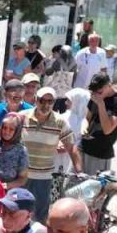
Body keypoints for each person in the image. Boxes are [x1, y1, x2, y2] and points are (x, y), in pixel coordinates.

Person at [21, 87, 82, 221]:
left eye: (50, 101)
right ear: (36, 100)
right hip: (22, 176)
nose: (46, 104)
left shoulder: (59, 121)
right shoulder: (22, 117)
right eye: (42, 100)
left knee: (41, 215)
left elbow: (71, 147)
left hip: (44, 178)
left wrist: (79, 170)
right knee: (20, 212)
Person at [80, 74, 117, 175]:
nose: (96, 94)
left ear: (109, 85)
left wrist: (101, 104)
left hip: (100, 152)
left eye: (99, 91)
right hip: (84, 146)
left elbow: (107, 129)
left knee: (93, 187)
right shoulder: (95, 95)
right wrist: (84, 126)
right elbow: (87, 118)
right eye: (93, 91)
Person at [0, 115, 29, 190]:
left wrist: (5, 186)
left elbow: (22, 179)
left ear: (17, 131)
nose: (6, 132)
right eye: (4, 128)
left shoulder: (21, 151)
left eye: (11, 129)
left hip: (7, 194)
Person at [56, 88, 92, 174]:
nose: (65, 103)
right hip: (57, 156)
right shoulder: (63, 117)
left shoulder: (86, 122)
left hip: (73, 159)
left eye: (69, 100)